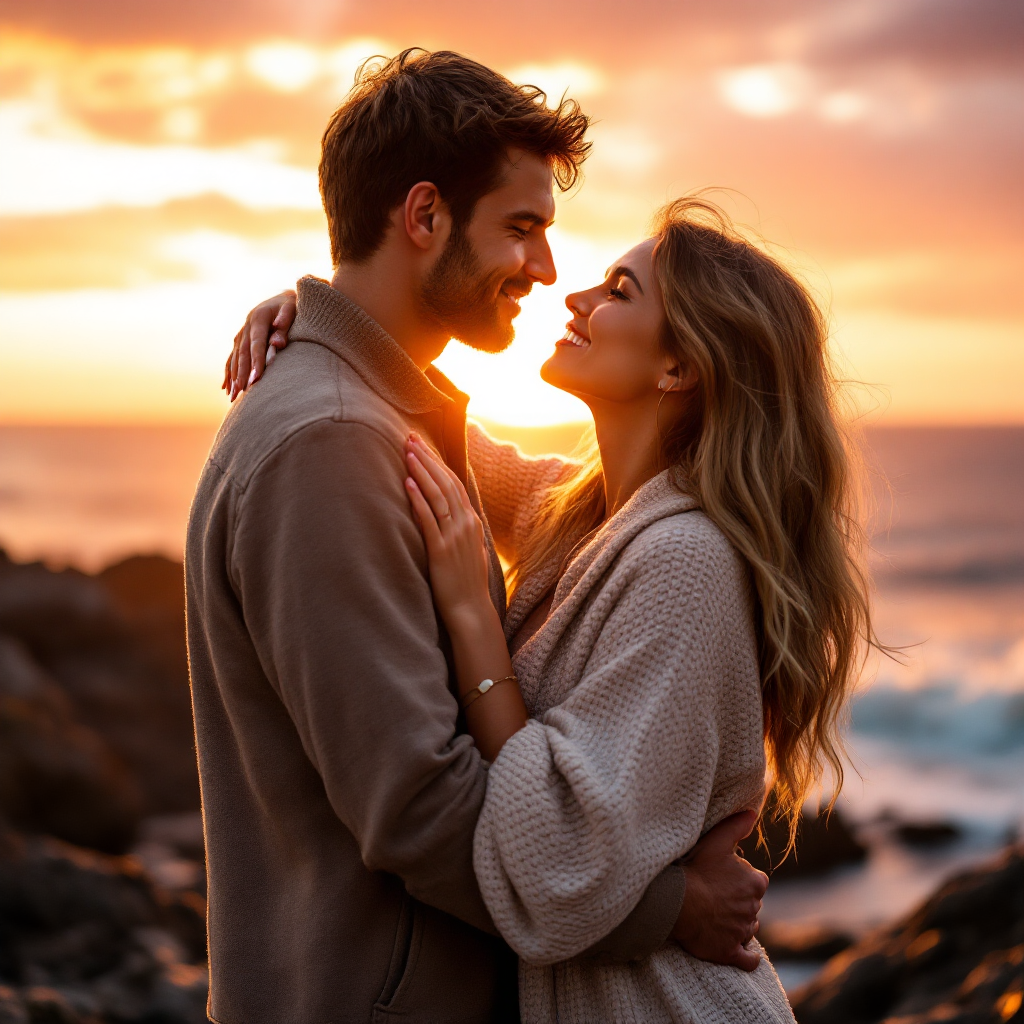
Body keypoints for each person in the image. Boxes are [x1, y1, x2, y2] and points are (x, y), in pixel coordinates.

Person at [189, 50, 769, 1024]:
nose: (548, 272)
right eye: (523, 228)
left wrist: (320, 313)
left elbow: (490, 467)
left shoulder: (388, 423)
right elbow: (420, 808)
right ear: (422, 218)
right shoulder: (333, 443)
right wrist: (674, 907)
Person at [234, 195, 877, 1021]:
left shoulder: (686, 563)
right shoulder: (584, 513)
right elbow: (431, 437)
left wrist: (476, 625)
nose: (574, 298)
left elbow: (561, 856)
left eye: (617, 290)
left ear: (678, 366)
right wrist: (323, 323)